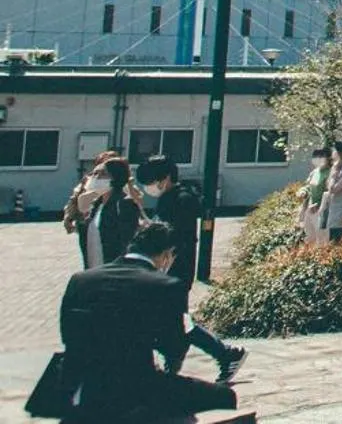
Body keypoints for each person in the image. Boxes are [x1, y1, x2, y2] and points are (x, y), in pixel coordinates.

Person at [57, 220, 242, 417]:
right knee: (224, 397)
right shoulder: (166, 286)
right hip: (132, 386)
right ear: (166, 255)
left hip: (81, 381)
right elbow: (173, 346)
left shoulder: (81, 279)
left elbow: (67, 333)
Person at [136, 158, 245, 383]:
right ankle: (180, 362)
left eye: (151, 181)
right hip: (169, 270)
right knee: (175, 320)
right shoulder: (171, 198)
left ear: (165, 178)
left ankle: (226, 354)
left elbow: (176, 238)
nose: (149, 187)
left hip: (176, 271)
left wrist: (164, 267)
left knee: (177, 320)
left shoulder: (181, 200)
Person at [87, 157, 143, 266]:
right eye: (94, 173)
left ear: (115, 178)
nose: (95, 178)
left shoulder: (124, 203)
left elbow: (127, 242)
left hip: (114, 270)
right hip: (95, 268)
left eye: (102, 174)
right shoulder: (97, 205)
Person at [298, 144, 332, 246]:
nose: (318, 160)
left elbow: (329, 193)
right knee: (309, 237)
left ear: (328, 158)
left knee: (321, 239)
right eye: (316, 157)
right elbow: (308, 186)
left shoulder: (330, 173)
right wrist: (303, 191)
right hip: (310, 208)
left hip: (323, 211)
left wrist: (320, 205)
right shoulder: (314, 172)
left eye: (321, 157)